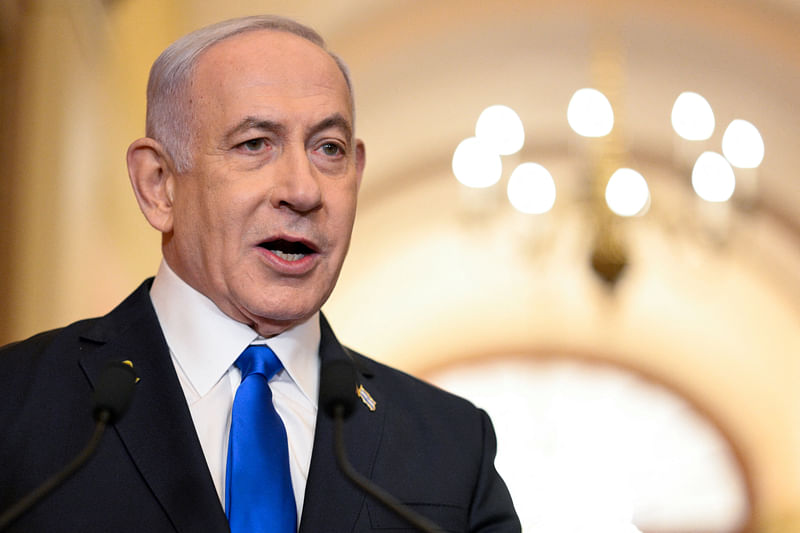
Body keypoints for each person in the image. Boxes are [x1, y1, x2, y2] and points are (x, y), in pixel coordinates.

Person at [0, 15, 521, 533]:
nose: (303, 189)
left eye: (329, 150)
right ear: (159, 185)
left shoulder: (453, 447)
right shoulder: (17, 404)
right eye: (255, 143)